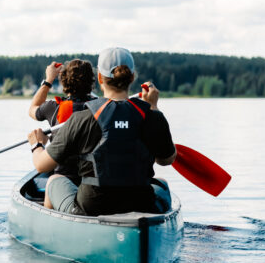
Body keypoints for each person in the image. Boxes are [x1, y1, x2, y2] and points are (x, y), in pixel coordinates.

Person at [26, 47, 177, 216]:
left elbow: (41, 165)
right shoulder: (152, 116)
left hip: (93, 206)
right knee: (161, 183)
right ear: (132, 77)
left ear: (100, 78)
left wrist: (37, 144)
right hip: (141, 203)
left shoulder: (81, 118)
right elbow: (166, 159)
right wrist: (153, 107)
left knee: (53, 179)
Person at [27, 59, 97, 208]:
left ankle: (49, 213)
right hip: (95, 182)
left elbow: (33, 109)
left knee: (52, 180)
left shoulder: (53, 108)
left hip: (64, 180)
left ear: (64, 83)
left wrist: (48, 80)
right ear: (92, 82)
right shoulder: (102, 108)